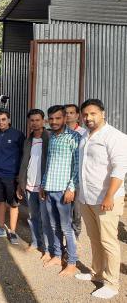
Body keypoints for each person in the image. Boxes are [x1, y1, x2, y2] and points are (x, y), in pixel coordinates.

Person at [75, 99, 127, 299]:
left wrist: (109, 195)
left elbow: (120, 168)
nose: (88, 117)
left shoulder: (115, 137)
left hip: (106, 199)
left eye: (92, 113)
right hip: (87, 197)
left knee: (108, 241)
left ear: (102, 114)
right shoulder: (85, 137)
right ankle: (97, 272)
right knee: (94, 239)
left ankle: (112, 284)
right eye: (85, 114)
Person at [40, 105, 80, 276]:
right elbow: (49, 163)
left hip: (64, 191)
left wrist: (71, 188)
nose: (54, 121)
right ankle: (57, 255)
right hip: (50, 188)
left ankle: (71, 262)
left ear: (65, 118)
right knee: (54, 225)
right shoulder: (52, 137)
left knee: (66, 227)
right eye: (51, 118)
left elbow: (76, 166)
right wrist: (43, 184)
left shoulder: (74, 137)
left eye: (58, 118)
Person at [17, 109, 53, 261]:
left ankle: (47, 248)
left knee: (47, 218)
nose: (35, 123)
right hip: (30, 185)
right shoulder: (28, 140)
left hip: (44, 185)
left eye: (38, 120)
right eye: (32, 120)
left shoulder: (50, 137)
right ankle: (35, 241)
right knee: (33, 216)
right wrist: (21, 183)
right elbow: (24, 163)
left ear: (43, 121)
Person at [0, 108, 25, 244]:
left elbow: (24, 156)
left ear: (9, 120)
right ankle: (2, 229)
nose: (1, 122)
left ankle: (13, 232)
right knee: (0, 201)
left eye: (3, 119)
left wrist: (20, 176)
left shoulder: (18, 135)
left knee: (13, 204)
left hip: (12, 175)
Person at [65, 104, 86, 242]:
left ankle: (76, 235)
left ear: (77, 115)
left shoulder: (84, 133)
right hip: (63, 176)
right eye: (66, 113)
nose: (69, 115)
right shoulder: (60, 132)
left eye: (72, 112)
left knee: (77, 211)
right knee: (64, 209)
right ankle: (66, 237)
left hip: (78, 178)